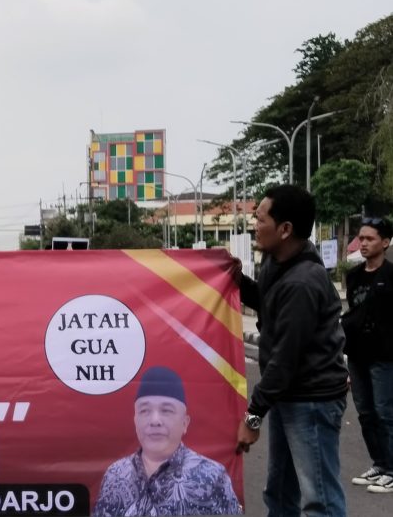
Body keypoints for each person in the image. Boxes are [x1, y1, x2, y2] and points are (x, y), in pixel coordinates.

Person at [235, 184, 349, 516]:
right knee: (280, 492)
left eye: (260, 219)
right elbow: (268, 305)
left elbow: (284, 361)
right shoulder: (276, 262)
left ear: (285, 229)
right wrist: (235, 279)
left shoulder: (302, 282)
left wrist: (253, 418)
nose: (255, 225)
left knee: (320, 500)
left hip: (311, 400)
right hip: (290, 396)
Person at [93, 366, 240, 516]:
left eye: (166, 411)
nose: (155, 421)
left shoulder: (212, 477)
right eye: (145, 411)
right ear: (135, 421)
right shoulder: (115, 474)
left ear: (185, 423)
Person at [343, 217, 393, 494]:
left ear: (385, 242)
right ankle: (380, 464)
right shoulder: (353, 276)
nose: (363, 243)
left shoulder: (391, 276)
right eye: (361, 238)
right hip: (357, 355)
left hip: (384, 356)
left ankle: (392, 469)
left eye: (369, 239)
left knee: (386, 413)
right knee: (365, 412)